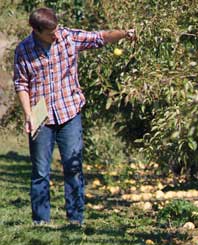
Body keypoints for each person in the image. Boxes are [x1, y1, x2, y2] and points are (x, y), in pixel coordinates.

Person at [12, 7, 136, 226]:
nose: (56, 35)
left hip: (69, 111)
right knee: (40, 170)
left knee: (73, 166)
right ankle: (40, 221)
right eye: (51, 32)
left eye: (57, 29)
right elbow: (21, 84)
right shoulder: (24, 50)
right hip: (41, 116)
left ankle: (75, 219)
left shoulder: (68, 38)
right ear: (37, 31)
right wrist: (29, 115)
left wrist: (125, 33)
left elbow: (100, 37)